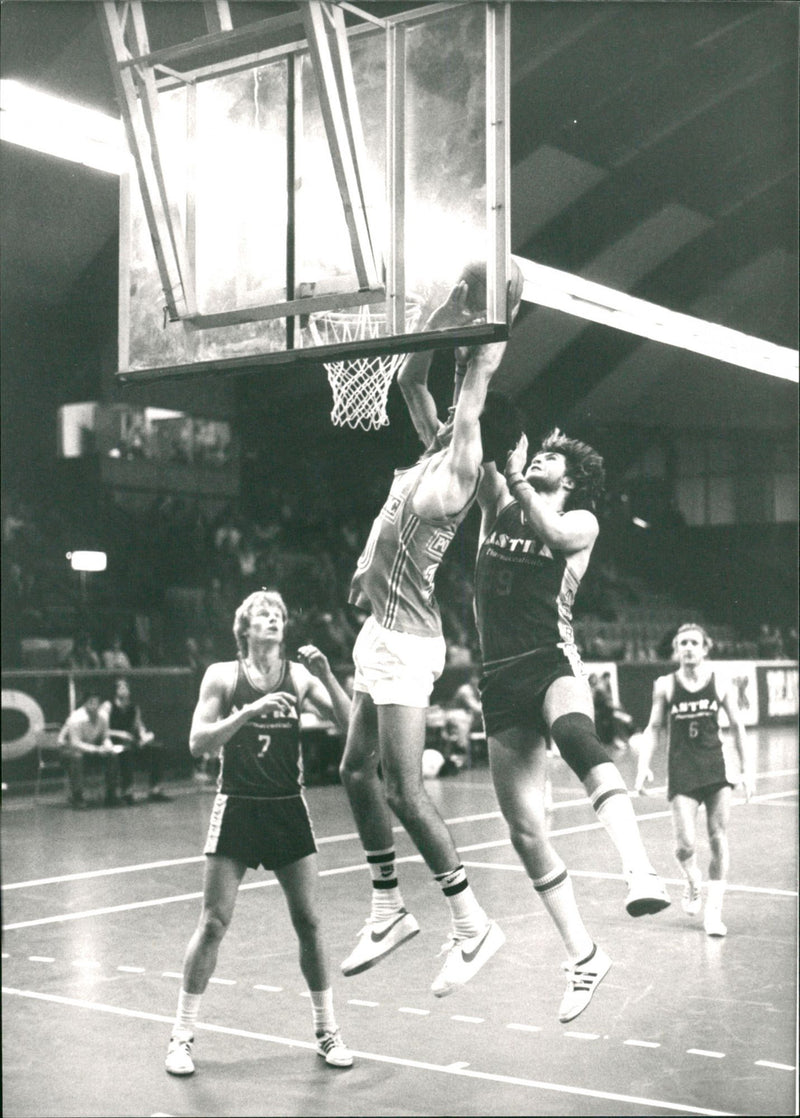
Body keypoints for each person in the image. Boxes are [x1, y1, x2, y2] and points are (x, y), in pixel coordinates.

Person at [338, 275, 525, 998]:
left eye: (461, 415)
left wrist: (497, 305)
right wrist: (443, 311)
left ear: (475, 433)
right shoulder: (428, 451)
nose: (447, 411)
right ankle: (387, 906)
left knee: (405, 789)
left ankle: (473, 922)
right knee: (357, 773)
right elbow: (414, 375)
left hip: (408, 641)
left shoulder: (458, 470)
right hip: (379, 628)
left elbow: (476, 374)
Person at [464, 428, 671, 1021]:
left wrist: (522, 478)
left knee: (577, 737)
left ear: (571, 478)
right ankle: (584, 955)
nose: (540, 460)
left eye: (552, 458)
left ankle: (639, 870)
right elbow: (467, 449)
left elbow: (551, 534)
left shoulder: (581, 521)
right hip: (498, 676)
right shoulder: (499, 504)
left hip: (551, 658)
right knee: (524, 831)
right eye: (538, 454)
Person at [165, 590, 354, 1076]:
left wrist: (329, 676)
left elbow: (351, 725)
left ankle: (327, 1031)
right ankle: (181, 1037)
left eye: (278, 616)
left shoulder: (299, 676)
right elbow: (196, 743)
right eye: (262, 615)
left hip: (287, 808)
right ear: (244, 628)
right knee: (213, 922)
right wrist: (246, 713)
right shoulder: (223, 676)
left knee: (310, 922)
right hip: (238, 808)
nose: (271, 620)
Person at [634, 623, 754, 936]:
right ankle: (691, 881)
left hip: (716, 769)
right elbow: (653, 728)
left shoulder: (720, 682)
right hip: (682, 771)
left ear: (704, 647)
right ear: (676, 648)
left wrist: (747, 770)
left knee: (718, 838)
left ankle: (713, 915)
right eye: (683, 642)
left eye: (694, 642)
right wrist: (643, 766)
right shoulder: (665, 685)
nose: (688, 647)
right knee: (685, 845)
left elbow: (739, 727)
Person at [100, 678, 172, 804]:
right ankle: (126, 792)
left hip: (130, 741)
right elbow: (102, 730)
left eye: (125, 687)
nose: (124, 690)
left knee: (156, 749)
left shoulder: (134, 707)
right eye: (120, 687)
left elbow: (139, 726)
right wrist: (120, 734)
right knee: (125, 753)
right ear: (115, 691)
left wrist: (144, 735)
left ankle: (155, 789)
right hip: (112, 742)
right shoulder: (108, 706)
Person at [57, 690, 120, 808]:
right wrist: (97, 750)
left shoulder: (103, 717)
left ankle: (111, 795)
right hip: (68, 751)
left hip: (90, 749)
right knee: (77, 757)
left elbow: (106, 737)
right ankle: (77, 797)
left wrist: (108, 746)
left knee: (112, 756)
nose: (95, 706)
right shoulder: (76, 718)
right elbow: (75, 743)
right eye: (91, 702)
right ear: (85, 704)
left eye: (97, 703)